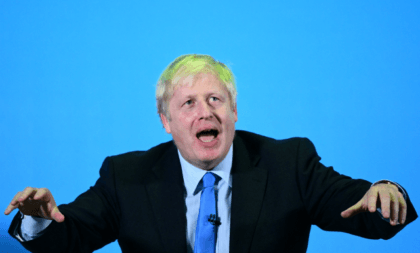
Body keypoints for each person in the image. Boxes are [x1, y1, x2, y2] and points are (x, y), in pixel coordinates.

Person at [5, 54, 418, 253]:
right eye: (189, 104)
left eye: (216, 99)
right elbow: (69, 235)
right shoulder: (126, 175)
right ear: (166, 121)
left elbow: (361, 210)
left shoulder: (288, 164)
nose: (206, 112)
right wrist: (40, 222)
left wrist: (385, 194)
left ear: (234, 111)